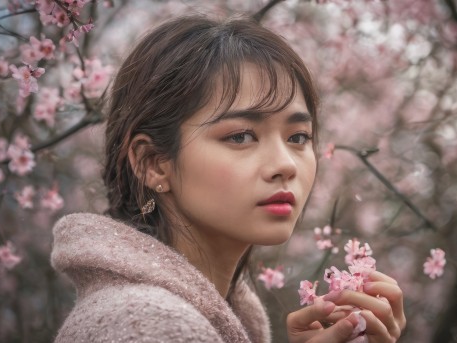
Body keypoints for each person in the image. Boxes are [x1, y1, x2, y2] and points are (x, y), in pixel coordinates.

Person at [51, 14, 406, 343]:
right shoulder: (150, 325)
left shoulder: (166, 314)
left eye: (298, 137)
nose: (285, 165)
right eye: (240, 136)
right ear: (153, 163)